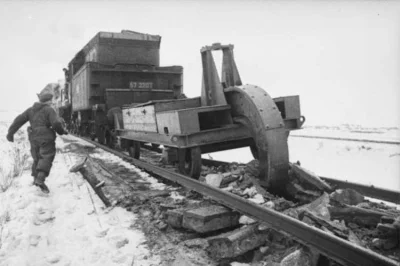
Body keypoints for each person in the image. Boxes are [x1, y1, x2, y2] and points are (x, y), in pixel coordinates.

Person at [6, 83, 68, 193]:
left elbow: (18, 120)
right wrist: (62, 131)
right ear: (48, 101)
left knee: (37, 158)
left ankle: (35, 180)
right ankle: (40, 180)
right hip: (46, 137)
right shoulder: (49, 110)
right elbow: (56, 123)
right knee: (47, 157)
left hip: (33, 137)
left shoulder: (30, 110)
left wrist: (10, 133)